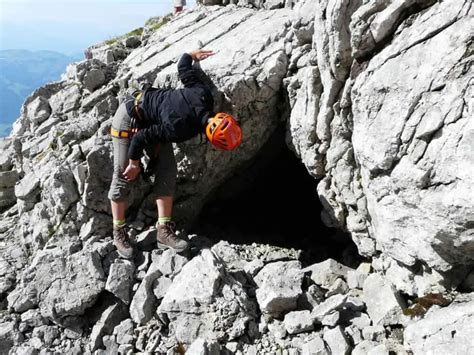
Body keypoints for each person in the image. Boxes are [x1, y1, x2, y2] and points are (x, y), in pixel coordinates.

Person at [108, 49, 242, 259]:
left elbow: (183, 68)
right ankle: (119, 231)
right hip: (128, 117)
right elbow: (140, 138)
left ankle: (163, 231)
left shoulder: (204, 95)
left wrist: (191, 55)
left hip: (154, 119)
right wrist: (134, 163)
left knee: (167, 171)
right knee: (123, 174)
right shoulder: (179, 129)